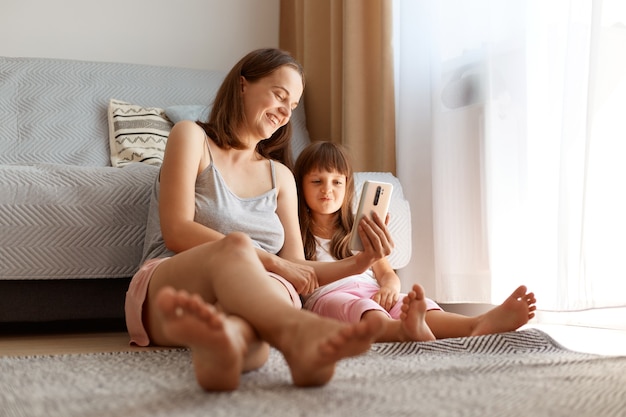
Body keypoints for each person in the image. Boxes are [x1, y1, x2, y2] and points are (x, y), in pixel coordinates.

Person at [124, 48, 393, 392]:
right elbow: (176, 231)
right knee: (237, 247)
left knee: (246, 323)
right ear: (242, 86)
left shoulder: (281, 176)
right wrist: (266, 259)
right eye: (280, 95)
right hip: (177, 283)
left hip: (259, 295)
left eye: (293, 106)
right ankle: (298, 334)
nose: (285, 112)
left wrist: (362, 262)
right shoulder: (191, 137)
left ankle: (226, 352)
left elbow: (297, 267)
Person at [293, 141, 537, 342]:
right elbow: (299, 274)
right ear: (300, 185)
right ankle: (402, 332)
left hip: (371, 291)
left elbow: (386, 273)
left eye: (337, 182)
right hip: (328, 297)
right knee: (360, 309)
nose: (327, 189)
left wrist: (389, 288)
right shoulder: (297, 232)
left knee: (408, 304)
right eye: (317, 181)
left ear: (347, 188)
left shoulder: (357, 229)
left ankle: (475, 325)